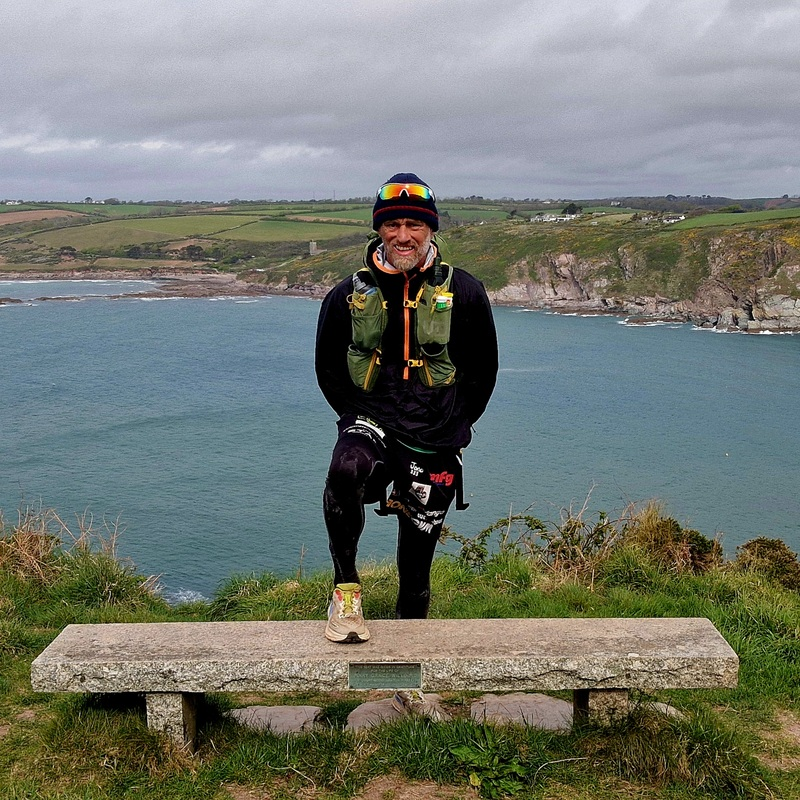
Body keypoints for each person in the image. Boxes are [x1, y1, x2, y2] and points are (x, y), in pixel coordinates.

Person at [315, 172, 498, 643]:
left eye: (414, 225)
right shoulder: (346, 295)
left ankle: (410, 676)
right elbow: (328, 369)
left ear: (431, 229)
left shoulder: (467, 293)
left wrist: (455, 423)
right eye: (392, 224)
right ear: (378, 229)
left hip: (435, 432)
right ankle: (346, 592)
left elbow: (482, 371)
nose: (403, 235)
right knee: (345, 470)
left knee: (417, 566)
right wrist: (356, 416)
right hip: (371, 418)